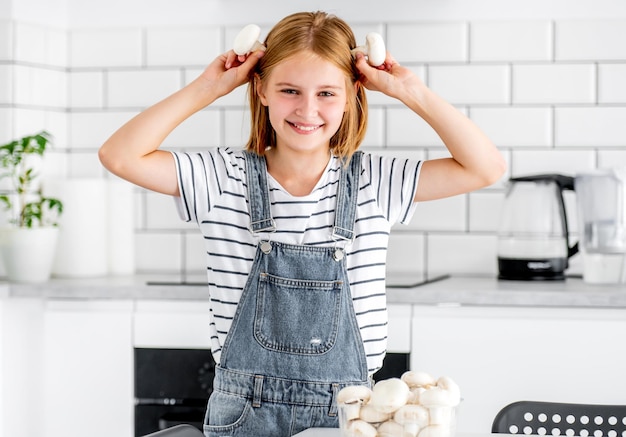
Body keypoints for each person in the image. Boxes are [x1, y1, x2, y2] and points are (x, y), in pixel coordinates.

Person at [99, 10, 505, 437]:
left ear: (352, 95)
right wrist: (209, 87)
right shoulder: (221, 178)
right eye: (290, 90)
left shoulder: (376, 182)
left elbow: (486, 168)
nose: (307, 109)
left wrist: (408, 90)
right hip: (243, 414)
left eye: (327, 93)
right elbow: (119, 155)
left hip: (349, 415)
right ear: (261, 90)